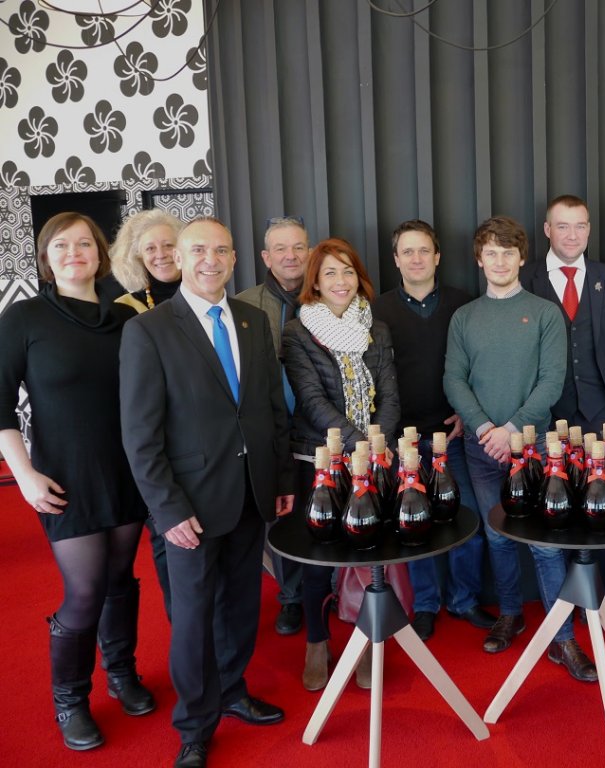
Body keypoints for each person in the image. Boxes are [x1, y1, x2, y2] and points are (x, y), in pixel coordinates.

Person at [120, 217, 293, 768]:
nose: (210, 260)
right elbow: (140, 435)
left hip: (251, 493)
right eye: (198, 250)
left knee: (242, 602)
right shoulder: (149, 330)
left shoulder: (250, 320)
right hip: (188, 505)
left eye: (221, 250)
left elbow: (270, 409)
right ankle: (195, 725)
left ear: (236, 258)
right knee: (193, 618)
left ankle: (233, 690)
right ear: (178, 255)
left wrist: (282, 479)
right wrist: (166, 508)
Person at [0, 213, 153, 752]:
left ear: (100, 253)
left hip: (126, 472)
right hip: (63, 480)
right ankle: (70, 699)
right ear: (46, 256)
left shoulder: (126, 318)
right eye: (61, 245)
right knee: (84, 591)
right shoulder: (23, 318)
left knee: (120, 580)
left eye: (84, 243)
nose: (73, 252)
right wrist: (24, 476)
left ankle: (122, 673)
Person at [444, 215, 597, 683]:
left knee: (547, 546)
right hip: (481, 448)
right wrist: (487, 428)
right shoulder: (464, 317)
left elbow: (552, 381)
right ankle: (511, 613)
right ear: (479, 259)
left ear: (522, 258)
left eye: (508, 253)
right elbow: (454, 379)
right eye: (491, 253)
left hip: (533, 448)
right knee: (497, 535)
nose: (500, 261)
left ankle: (562, 637)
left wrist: (512, 429)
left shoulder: (545, 313)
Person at [282, 237, 400, 691]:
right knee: (320, 555)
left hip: (373, 455)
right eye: (329, 272)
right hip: (321, 456)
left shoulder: (377, 327)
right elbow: (311, 400)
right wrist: (357, 442)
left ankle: (370, 640)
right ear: (314, 280)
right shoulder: (298, 331)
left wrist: (378, 438)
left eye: (347, 271)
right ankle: (317, 640)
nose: (340, 281)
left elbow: (389, 393)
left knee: (371, 550)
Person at [521, 195, 605, 644]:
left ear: (589, 230)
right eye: (563, 226)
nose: (572, 235)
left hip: (604, 414)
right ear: (547, 230)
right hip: (547, 418)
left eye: (580, 226)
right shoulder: (526, 278)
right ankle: (565, 614)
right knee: (555, 514)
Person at [372, 220, 494, 642]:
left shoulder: (464, 304)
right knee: (412, 524)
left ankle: (465, 600)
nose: (417, 258)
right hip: (402, 441)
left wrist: (469, 412)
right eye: (408, 251)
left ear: (438, 256)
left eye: (424, 250)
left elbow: (479, 366)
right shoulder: (378, 310)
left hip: (453, 433)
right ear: (396, 259)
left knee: (467, 522)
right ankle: (425, 604)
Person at [236, 216, 310, 637]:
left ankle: (335, 588)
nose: (290, 256)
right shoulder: (244, 306)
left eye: (298, 247)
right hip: (273, 432)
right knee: (282, 517)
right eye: (281, 248)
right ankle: (292, 597)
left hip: (326, 430)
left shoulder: (333, 293)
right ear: (265, 256)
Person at [110, 208, 184, 620]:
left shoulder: (209, 294)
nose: (160, 254)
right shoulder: (125, 310)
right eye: (149, 248)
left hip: (212, 444)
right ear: (136, 258)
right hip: (160, 446)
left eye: (168, 244)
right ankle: (188, 636)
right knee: (169, 542)